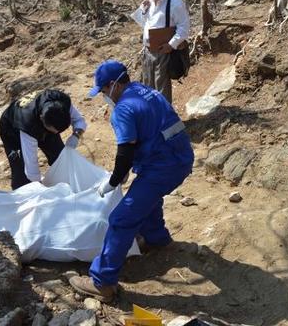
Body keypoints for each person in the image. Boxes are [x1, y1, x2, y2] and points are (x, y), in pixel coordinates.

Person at [69, 59, 194, 302]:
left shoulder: (124, 109)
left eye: (104, 91)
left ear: (113, 85)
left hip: (163, 167)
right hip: (181, 157)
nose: (105, 96)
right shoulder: (147, 91)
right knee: (146, 199)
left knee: (121, 219)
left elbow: (125, 151)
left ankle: (102, 282)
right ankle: (157, 239)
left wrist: (114, 180)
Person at [0, 89, 87, 190]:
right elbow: (31, 166)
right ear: (42, 119)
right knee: (22, 176)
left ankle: (70, 188)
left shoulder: (61, 102)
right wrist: (40, 190)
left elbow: (79, 120)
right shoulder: (27, 124)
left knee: (61, 159)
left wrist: (76, 136)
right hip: (12, 130)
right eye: (54, 131)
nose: (56, 134)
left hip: (46, 122)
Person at [130, 0, 190, 103]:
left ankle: (167, 122)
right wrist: (143, 10)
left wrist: (171, 45)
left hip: (163, 52)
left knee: (161, 89)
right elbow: (144, 24)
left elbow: (184, 28)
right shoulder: (150, 2)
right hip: (147, 52)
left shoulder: (175, 3)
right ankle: (153, 120)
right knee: (148, 88)